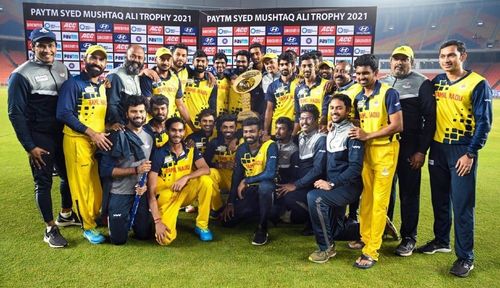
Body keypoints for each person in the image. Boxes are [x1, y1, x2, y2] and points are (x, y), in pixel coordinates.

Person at [417, 40, 492, 278]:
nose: (446, 60)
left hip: (461, 151)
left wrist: (471, 153)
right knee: (439, 201)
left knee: (461, 206)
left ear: (463, 56)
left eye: (451, 55)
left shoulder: (478, 83)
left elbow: (484, 122)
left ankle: (465, 257)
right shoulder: (437, 81)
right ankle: (441, 241)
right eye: (442, 56)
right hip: (437, 150)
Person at [8, 27, 77, 248]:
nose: (47, 50)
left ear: (56, 46)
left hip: (63, 134)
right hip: (39, 137)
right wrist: (29, 145)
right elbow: (15, 113)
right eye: (41, 45)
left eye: (50, 45)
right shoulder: (21, 74)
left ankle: (65, 215)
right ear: (33, 47)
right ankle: (50, 228)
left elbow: (75, 92)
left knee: (68, 176)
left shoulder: (62, 68)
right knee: (43, 182)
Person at [379, 45, 436, 256]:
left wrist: (421, 150)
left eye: (404, 59)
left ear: (411, 62)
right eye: (396, 59)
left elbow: (430, 120)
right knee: (384, 190)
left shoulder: (422, 82)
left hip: (410, 146)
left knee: (409, 193)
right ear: (390, 61)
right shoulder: (382, 82)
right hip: (385, 146)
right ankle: (385, 227)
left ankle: (409, 237)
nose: (399, 63)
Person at [348, 54, 403, 269]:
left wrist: (367, 135)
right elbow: (358, 122)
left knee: (379, 203)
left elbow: (397, 125)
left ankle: (371, 250)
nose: (361, 77)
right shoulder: (359, 97)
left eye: (365, 73)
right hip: (366, 154)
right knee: (367, 200)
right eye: (358, 73)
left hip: (386, 153)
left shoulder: (389, 93)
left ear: (376, 73)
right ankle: (365, 237)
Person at [56, 45, 111, 244]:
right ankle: (87, 227)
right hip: (77, 142)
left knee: (96, 187)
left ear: (105, 64)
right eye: (93, 58)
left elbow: (97, 114)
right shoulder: (73, 84)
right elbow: (63, 113)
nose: (97, 62)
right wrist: (91, 133)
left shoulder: (102, 85)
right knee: (82, 187)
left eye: (101, 59)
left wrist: (105, 128)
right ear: (84, 60)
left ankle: (93, 217)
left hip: (96, 143)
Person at [307, 94, 364, 264]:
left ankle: (326, 248)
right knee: (336, 231)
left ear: (348, 111)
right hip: (334, 187)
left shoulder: (353, 133)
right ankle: (374, 228)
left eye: (339, 108)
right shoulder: (331, 130)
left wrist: (331, 183)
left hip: (348, 187)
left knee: (315, 198)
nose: (334, 111)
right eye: (332, 108)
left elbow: (355, 168)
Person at [147, 117, 216, 245]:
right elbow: (151, 193)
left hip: (185, 192)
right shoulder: (159, 153)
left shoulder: (190, 149)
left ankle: (202, 225)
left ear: (184, 132)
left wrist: (186, 177)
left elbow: (206, 169)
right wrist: (157, 221)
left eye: (180, 131)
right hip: (168, 197)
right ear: (167, 131)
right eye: (173, 130)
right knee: (165, 240)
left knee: (206, 181)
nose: (177, 134)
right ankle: (157, 218)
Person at [99, 96, 153, 245]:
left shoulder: (149, 136)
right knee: (118, 240)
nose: (138, 115)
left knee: (144, 235)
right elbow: (105, 170)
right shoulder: (116, 136)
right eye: (134, 111)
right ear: (126, 114)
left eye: (141, 111)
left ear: (146, 113)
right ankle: (113, 217)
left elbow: (150, 168)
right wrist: (135, 170)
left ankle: (133, 219)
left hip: (140, 192)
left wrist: (145, 185)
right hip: (119, 192)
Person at [221, 117, 278, 246]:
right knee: (227, 222)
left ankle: (262, 228)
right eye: (245, 132)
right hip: (249, 190)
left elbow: (270, 173)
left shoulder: (270, 145)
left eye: (252, 131)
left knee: (265, 187)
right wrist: (230, 202)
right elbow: (236, 176)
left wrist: (247, 180)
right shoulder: (241, 149)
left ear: (260, 132)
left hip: (266, 186)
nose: (248, 135)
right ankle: (261, 212)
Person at [275, 105, 326, 233]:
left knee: (289, 196)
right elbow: (283, 138)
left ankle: (315, 221)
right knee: (279, 192)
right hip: (300, 182)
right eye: (301, 118)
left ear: (316, 120)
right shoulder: (299, 137)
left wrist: (295, 185)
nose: (304, 122)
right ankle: (298, 217)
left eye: (308, 118)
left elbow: (318, 170)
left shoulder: (321, 139)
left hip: (313, 185)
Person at [140, 47, 192, 128]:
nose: (165, 62)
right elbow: (147, 104)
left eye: (168, 60)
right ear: (155, 60)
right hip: (154, 125)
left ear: (171, 61)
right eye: (162, 59)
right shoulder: (148, 78)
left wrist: (192, 126)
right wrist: (161, 119)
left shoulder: (175, 78)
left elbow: (180, 105)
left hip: (171, 125)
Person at [106, 44, 145, 130]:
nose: (136, 60)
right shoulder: (115, 75)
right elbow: (112, 105)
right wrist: (119, 125)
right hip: (122, 128)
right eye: (132, 56)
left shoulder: (136, 75)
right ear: (126, 56)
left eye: (139, 58)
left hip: (133, 126)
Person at [263, 52, 299, 138]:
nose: (284, 67)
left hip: (294, 126)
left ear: (293, 65)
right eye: (282, 65)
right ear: (278, 66)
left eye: (287, 64)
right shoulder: (272, 86)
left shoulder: (300, 83)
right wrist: (265, 131)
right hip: (277, 127)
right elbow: (269, 110)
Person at [183, 50, 217, 134]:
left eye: (203, 61)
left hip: (200, 124)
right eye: (197, 61)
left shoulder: (212, 82)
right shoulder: (184, 74)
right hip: (182, 122)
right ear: (192, 62)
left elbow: (212, 107)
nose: (200, 64)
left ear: (207, 63)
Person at [294, 54, 330, 131]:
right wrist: (294, 134)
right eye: (304, 66)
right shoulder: (298, 89)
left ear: (315, 67)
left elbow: (326, 110)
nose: (307, 69)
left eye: (310, 65)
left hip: (321, 130)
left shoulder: (327, 85)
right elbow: (297, 114)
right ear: (300, 68)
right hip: (304, 131)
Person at [205, 114, 239, 194]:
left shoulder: (241, 141)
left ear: (236, 128)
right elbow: (205, 163)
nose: (228, 130)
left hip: (236, 177)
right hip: (220, 176)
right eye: (225, 127)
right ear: (220, 128)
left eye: (231, 127)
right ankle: (217, 204)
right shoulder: (214, 142)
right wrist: (220, 165)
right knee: (210, 172)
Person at [213, 52, 230, 116]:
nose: (220, 65)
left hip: (227, 116)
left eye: (222, 63)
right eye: (217, 63)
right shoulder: (208, 79)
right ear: (213, 64)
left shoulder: (230, 80)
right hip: (213, 116)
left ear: (226, 64)